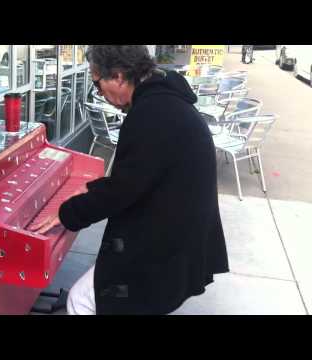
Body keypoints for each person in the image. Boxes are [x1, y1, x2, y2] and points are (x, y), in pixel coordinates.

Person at [30, 45, 229, 315]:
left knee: (83, 300)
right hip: (180, 238)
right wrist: (91, 190)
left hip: (168, 248)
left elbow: (124, 190)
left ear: (120, 76)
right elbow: (141, 174)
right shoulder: (164, 100)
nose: (99, 93)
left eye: (97, 83)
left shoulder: (153, 114)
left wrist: (69, 212)